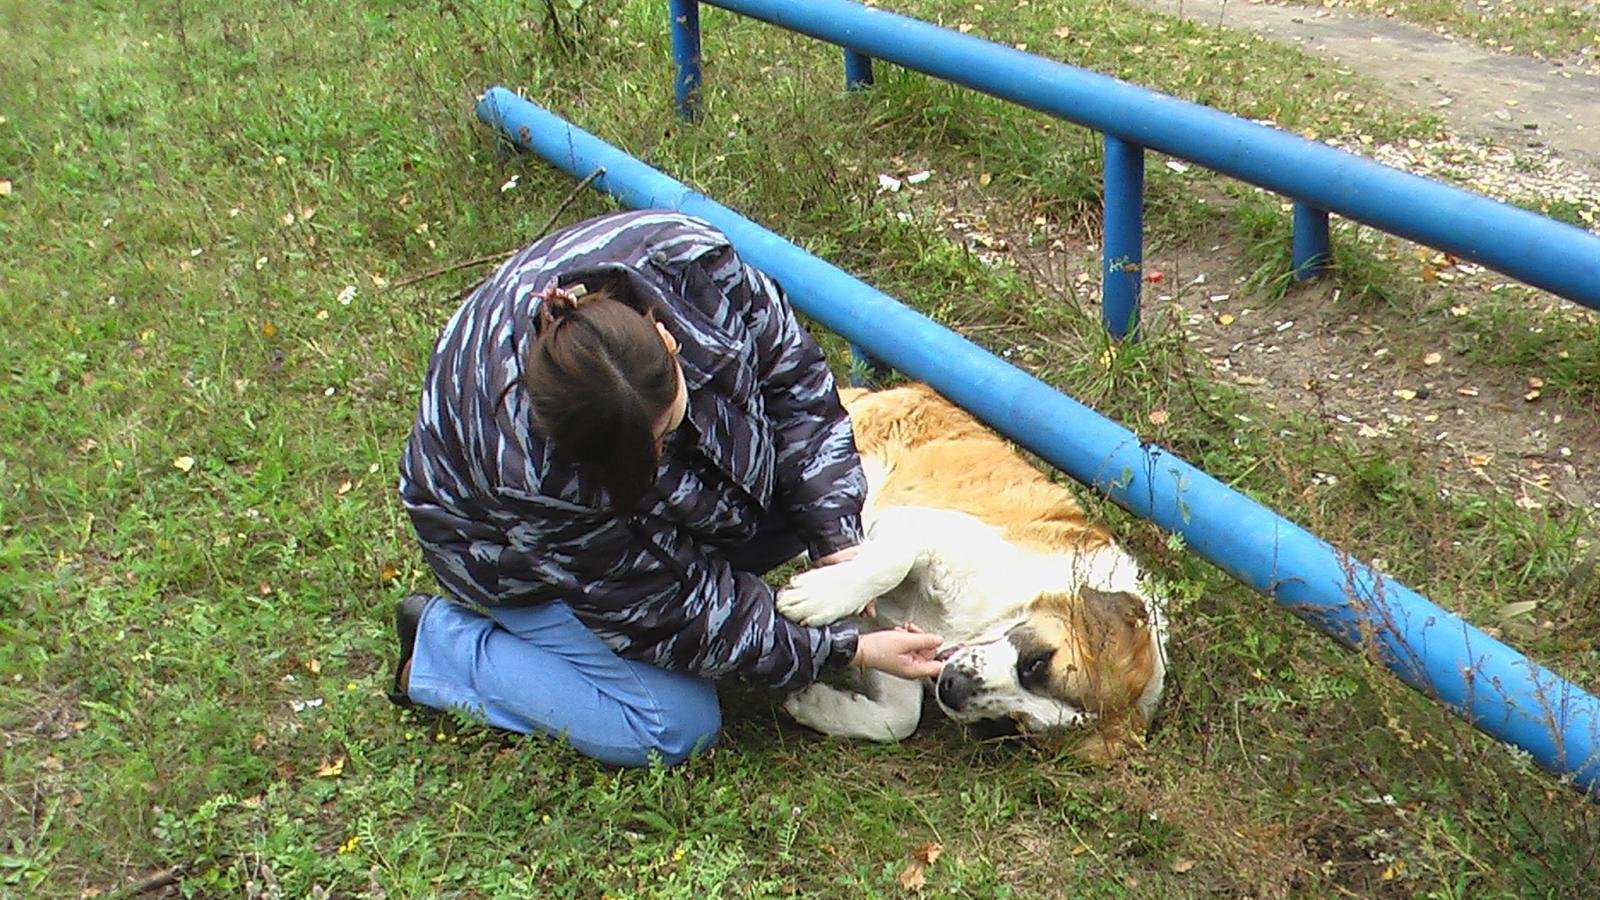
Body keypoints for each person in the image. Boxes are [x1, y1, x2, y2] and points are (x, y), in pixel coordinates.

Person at [391, 209, 943, 767]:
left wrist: (835, 537)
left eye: (666, 431)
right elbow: (668, 612)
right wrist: (845, 651)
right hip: (502, 554)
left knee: (793, 502)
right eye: (644, 457)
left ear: (664, 335)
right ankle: (441, 651)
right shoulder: (531, 471)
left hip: (636, 504)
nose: (660, 457)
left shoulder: (695, 264)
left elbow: (796, 387)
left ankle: (721, 549)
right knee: (670, 723)